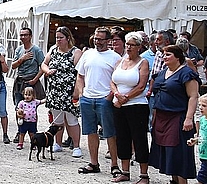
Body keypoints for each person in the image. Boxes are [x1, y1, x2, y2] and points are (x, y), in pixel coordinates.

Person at [149, 45, 200, 184]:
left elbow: (193, 96)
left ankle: (182, 182)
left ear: (178, 57)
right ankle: (173, 181)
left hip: (178, 117)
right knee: (167, 152)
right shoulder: (162, 72)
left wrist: (189, 118)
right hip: (161, 116)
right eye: (163, 54)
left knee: (179, 152)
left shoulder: (186, 73)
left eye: (168, 54)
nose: (164, 57)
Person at [75, 26, 121, 176]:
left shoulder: (115, 58)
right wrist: (81, 93)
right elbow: (80, 75)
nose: (97, 42)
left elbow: (117, 80)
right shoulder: (87, 54)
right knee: (90, 131)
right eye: (95, 38)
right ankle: (94, 163)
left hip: (104, 98)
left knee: (110, 133)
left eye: (100, 39)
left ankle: (114, 164)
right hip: (88, 98)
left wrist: (109, 97)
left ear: (108, 41)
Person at [110, 32, 150, 184]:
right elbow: (112, 81)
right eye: (127, 44)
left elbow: (141, 86)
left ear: (139, 47)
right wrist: (116, 94)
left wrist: (125, 98)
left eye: (132, 45)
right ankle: (125, 171)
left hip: (136, 105)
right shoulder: (120, 61)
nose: (129, 48)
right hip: (118, 104)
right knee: (122, 137)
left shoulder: (143, 62)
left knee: (139, 138)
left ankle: (144, 175)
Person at [41, 26, 82, 158]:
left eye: (61, 38)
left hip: (69, 91)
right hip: (54, 91)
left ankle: (76, 146)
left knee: (71, 119)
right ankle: (57, 143)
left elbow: (80, 72)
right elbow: (44, 64)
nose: (58, 40)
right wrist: (47, 71)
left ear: (68, 38)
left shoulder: (76, 52)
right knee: (57, 119)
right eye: (57, 37)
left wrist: (77, 91)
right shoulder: (53, 50)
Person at [11, 26, 45, 143]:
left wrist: (36, 79)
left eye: (25, 35)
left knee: (32, 108)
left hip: (31, 81)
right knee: (18, 107)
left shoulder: (36, 50)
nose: (23, 37)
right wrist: (22, 58)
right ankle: (20, 131)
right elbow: (13, 65)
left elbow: (43, 66)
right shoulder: (19, 50)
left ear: (30, 36)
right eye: (21, 35)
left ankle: (32, 132)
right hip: (20, 81)